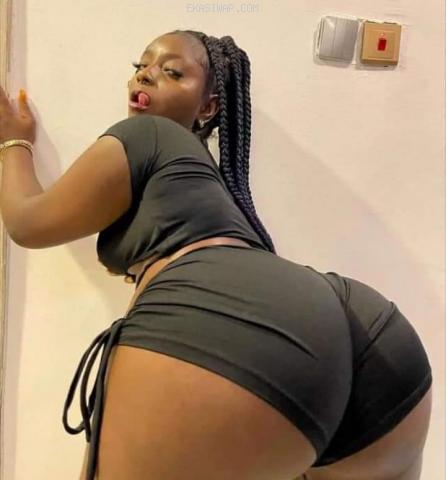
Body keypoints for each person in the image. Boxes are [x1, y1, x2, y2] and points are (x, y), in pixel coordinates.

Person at [0, 30, 432, 480]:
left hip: (240, 337)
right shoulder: (214, 190)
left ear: (208, 107)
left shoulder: (146, 135)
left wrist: (15, 143)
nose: (146, 75)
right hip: (371, 334)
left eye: (172, 72)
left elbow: (28, 222)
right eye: (140, 66)